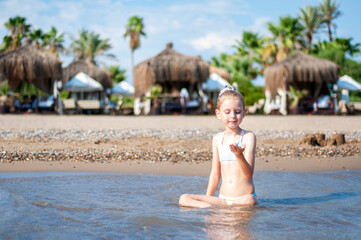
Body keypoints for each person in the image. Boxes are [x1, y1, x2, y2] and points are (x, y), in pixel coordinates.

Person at [179, 86, 257, 208]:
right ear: (218, 113)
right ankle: (211, 209)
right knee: (184, 198)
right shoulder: (217, 139)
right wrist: (208, 199)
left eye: (237, 112)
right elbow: (215, 174)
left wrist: (239, 155)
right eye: (227, 112)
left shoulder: (248, 137)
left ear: (244, 113)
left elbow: (248, 175)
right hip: (223, 200)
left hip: (243, 198)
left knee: (251, 200)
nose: (232, 116)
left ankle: (223, 210)